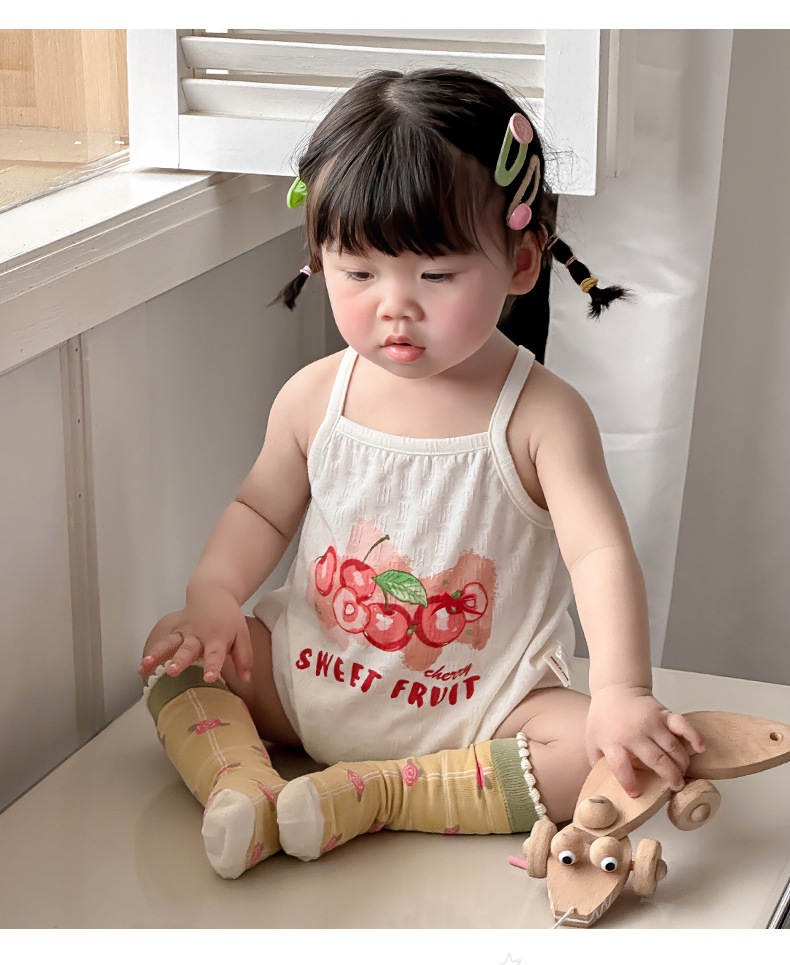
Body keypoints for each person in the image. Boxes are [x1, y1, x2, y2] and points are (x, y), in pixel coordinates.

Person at [139, 67, 705, 880]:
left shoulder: (541, 415)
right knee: (176, 652)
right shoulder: (314, 396)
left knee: (594, 755)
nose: (395, 304)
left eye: (435, 275)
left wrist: (620, 689)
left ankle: (380, 795)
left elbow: (599, 555)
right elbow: (259, 510)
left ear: (521, 261)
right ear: (320, 257)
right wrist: (215, 596)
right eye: (359, 272)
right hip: (303, 684)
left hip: (479, 717)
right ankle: (243, 788)